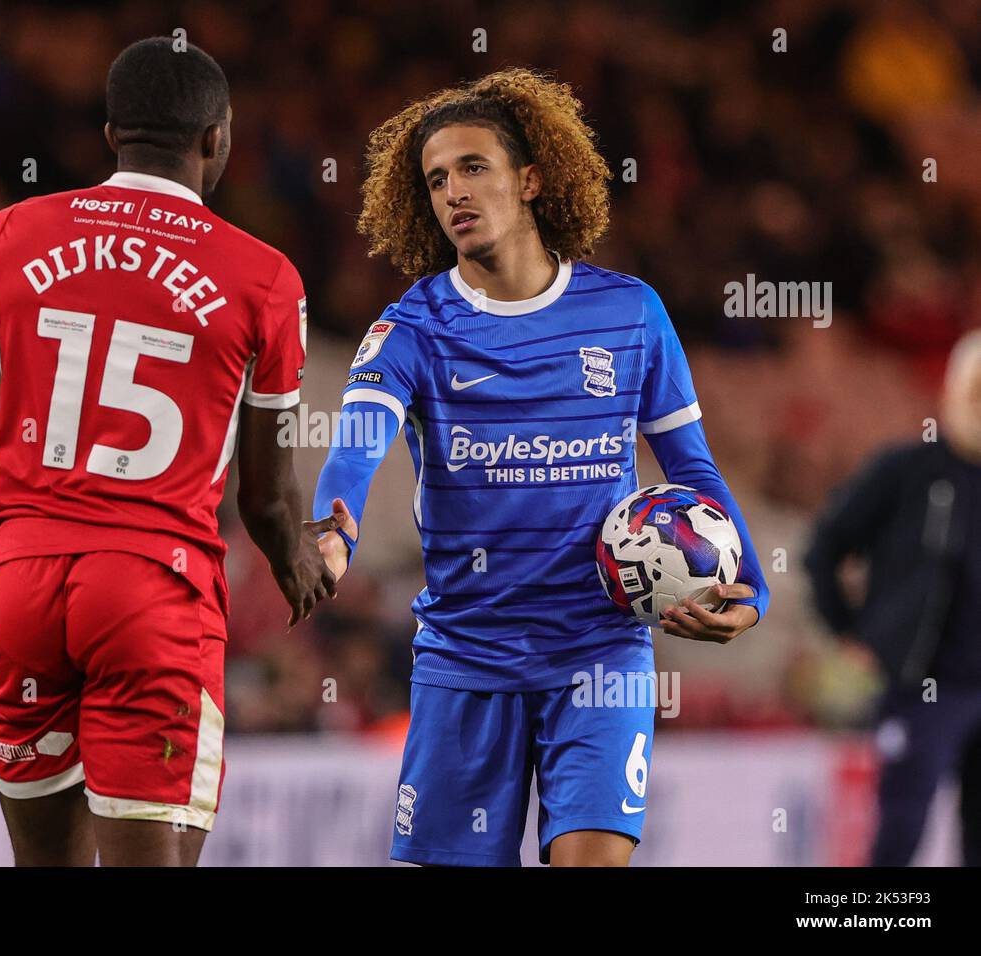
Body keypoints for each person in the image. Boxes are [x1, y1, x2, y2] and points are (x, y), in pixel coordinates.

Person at [305, 69, 769, 867]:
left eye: (474, 167)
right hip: (465, 655)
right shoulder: (412, 325)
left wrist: (752, 592)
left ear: (532, 179)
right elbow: (355, 443)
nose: (454, 190)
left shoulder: (629, 312)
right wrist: (331, 535)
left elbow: (693, 470)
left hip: (600, 653)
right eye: (437, 178)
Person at [0, 37, 337, 867]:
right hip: (153, 588)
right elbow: (265, 497)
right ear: (217, 138)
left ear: (111, 135)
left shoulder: (11, 233)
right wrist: (297, 562)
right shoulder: (265, 279)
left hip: (24, 586)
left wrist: (5, 539)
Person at [806, 331, 981, 866]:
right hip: (920, 688)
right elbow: (824, 549)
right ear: (953, 393)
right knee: (901, 832)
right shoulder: (907, 470)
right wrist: (853, 635)